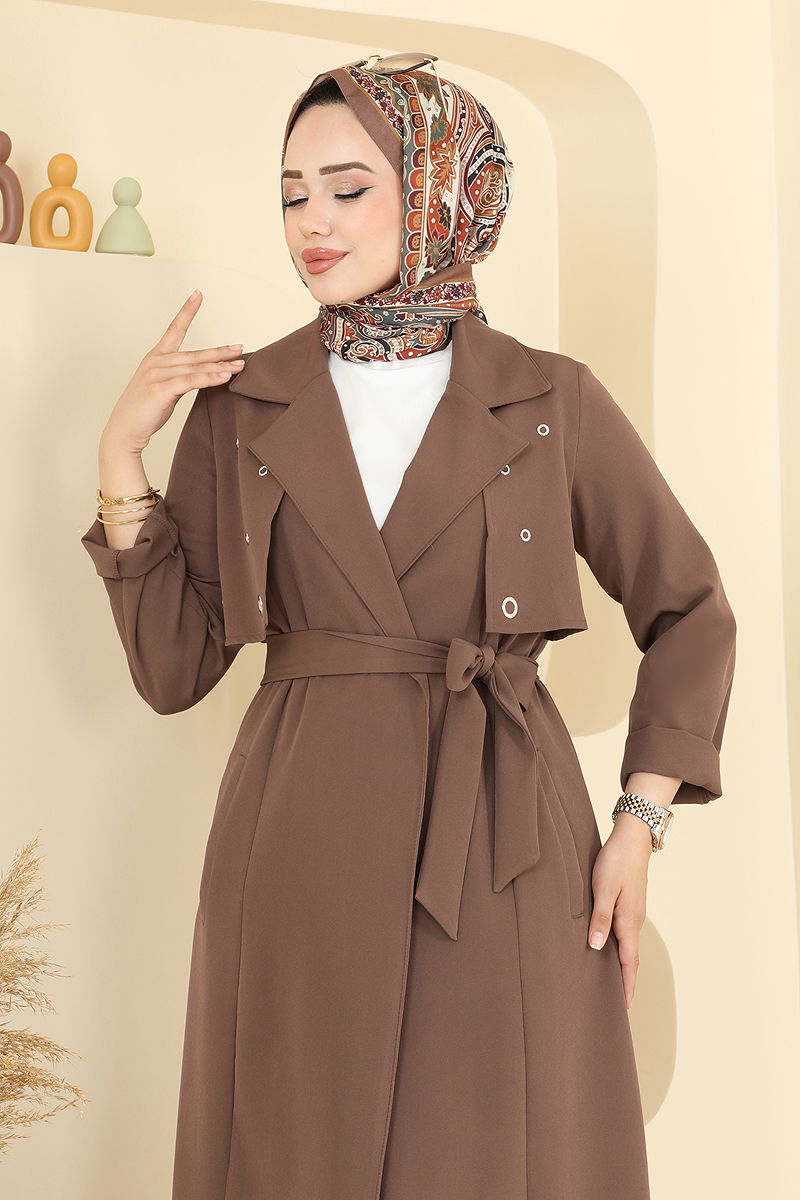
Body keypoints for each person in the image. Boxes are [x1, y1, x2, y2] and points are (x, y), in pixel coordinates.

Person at [80, 52, 737, 1200]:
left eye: (347, 188)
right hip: (300, 835)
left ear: (440, 190)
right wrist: (120, 456)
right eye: (291, 192)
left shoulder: (549, 398)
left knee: (488, 1148)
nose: (312, 222)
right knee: (295, 1149)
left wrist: (637, 825)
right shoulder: (242, 402)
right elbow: (175, 668)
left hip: (501, 831)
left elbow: (688, 607)